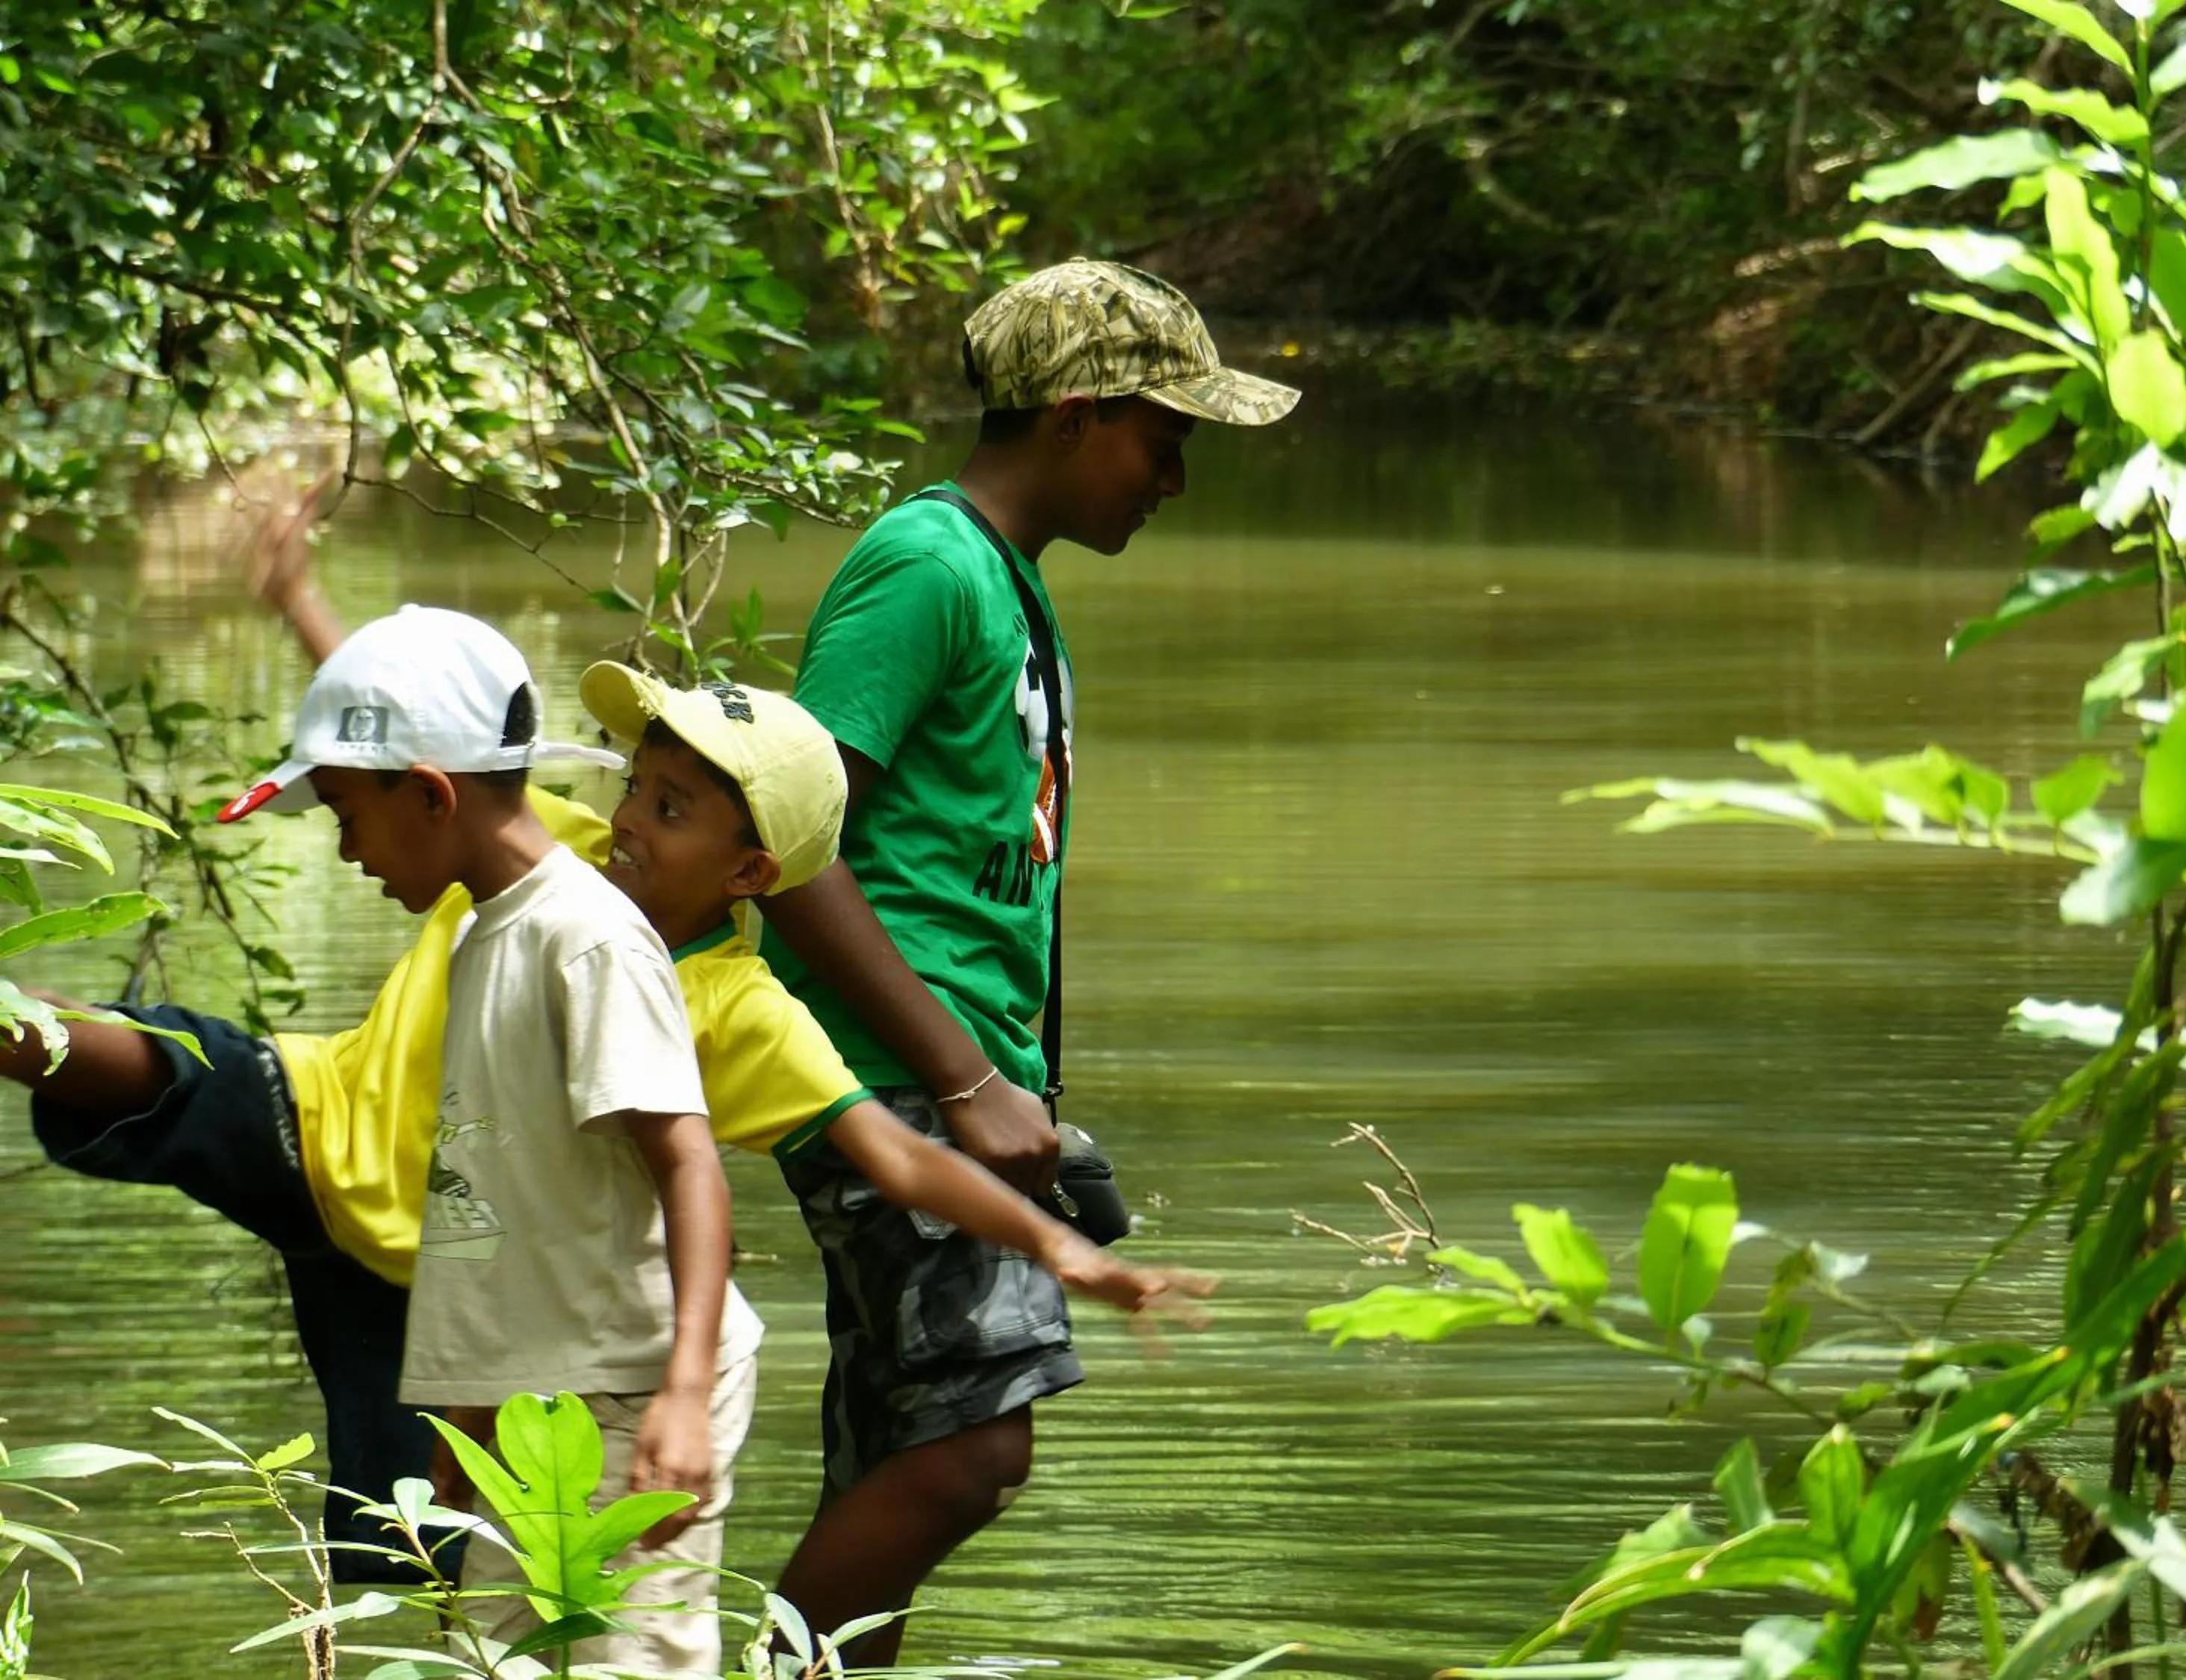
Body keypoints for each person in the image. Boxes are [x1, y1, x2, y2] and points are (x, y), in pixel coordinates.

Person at [3, 494, 1207, 1615]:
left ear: (753, 874)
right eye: (642, 784)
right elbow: (423, 754)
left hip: (437, 1289)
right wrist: (307, 608)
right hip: (322, 1124)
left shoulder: (740, 1009)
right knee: (143, 1061)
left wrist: (1067, 1255)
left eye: (675, 810)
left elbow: (893, 1158)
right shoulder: (554, 850)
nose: (633, 817)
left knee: (407, 1573)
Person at [757, 257, 1298, 1663]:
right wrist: (967, 1077)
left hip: (948, 1082)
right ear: (1070, 416)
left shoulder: (1011, 585)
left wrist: (1018, 1087)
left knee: (896, 1455)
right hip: (895, 1083)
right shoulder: (923, 568)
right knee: (975, 1454)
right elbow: (786, 844)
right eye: (1161, 439)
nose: (1173, 480)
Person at [217, 603, 752, 1673]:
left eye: (346, 816)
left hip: (638, 1381)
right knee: (499, 1657)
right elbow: (507, 1182)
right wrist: (480, 1395)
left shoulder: (586, 941)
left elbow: (687, 1163)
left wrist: (684, 1397)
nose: (345, 850)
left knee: (631, 1659)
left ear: (429, 793)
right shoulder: (477, 933)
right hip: (537, 1395)